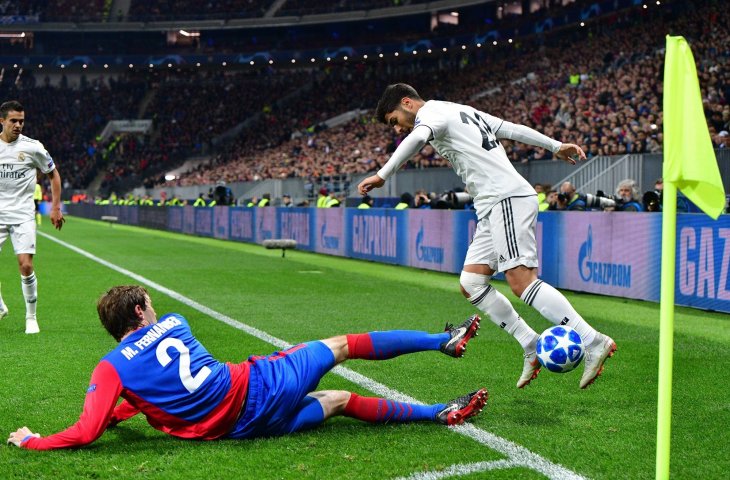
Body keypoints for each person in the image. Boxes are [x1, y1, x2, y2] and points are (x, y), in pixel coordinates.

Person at [7, 286, 487, 449]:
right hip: (258, 385)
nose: (156, 310)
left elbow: (87, 429)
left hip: (244, 428)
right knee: (341, 345)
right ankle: (441, 340)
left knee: (337, 400)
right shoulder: (175, 322)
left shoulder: (111, 370)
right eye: (148, 306)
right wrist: (119, 413)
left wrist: (32, 439)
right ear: (139, 312)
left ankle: (440, 412)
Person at [359, 83, 616, 389]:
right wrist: (554, 145)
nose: (398, 128)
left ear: (407, 103)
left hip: (505, 198)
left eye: (394, 120)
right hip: (492, 206)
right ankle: (530, 343)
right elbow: (511, 128)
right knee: (471, 283)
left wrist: (382, 174)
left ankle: (593, 340)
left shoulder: (430, 114)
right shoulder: (459, 109)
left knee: (522, 282)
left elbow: (416, 137)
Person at [0, 100, 65, 334]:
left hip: (22, 214)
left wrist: (56, 208)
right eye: (13, 121)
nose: (18, 125)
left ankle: (31, 317)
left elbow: (53, 175)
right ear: (2, 121)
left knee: (26, 265)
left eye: (21, 121)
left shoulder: (33, 147)